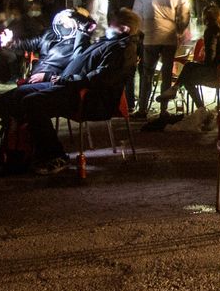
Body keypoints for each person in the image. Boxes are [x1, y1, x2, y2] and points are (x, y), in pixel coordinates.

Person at [17, 9, 142, 176]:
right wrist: (83, 33)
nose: (107, 26)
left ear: (124, 28)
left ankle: (55, 156)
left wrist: (58, 79)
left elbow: (98, 78)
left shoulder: (122, 50)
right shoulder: (110, 42)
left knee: (32, 102)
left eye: (112, 23)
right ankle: (22, 151)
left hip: (89, 99)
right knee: (20, 96)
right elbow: (79, 57)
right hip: (72, 88)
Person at [149, 4, 220, 132]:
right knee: (189, 68)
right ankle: (180, 93)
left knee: (188, 75)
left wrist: (200, 62)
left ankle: (197, 105)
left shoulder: (211, 30)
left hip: (216, 73)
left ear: (206, 18)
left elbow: (210, 58)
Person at [132, 0, 191, 119]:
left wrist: (141, 32)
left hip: (149, 37)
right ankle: (163, 110)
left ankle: (143, 109)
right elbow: (185, 17)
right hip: (169, 38)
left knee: (147, 73)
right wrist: (178, 31)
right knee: (166, 74)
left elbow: (136, 16)